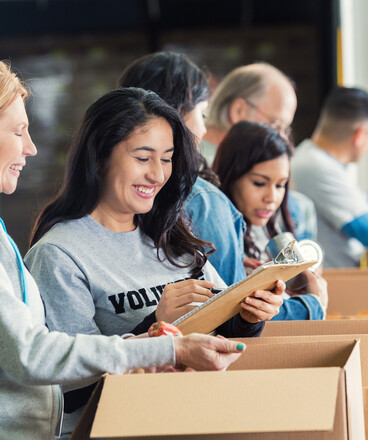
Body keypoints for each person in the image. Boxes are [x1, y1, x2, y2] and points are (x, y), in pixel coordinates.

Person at [0, 55, 248, 440]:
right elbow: (30, 354)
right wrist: (166, 349)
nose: (30, 148)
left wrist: (151, 342)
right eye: (18, 132)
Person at [25, 87, 284, 436]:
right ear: (100, 157)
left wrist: (249, 315)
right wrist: (155, 326)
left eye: (167, 158)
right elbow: (70, 389)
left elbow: (222, 331)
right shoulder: (59, 254)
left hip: (195, 420)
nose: (158, 175)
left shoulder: (171, 234)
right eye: (143, 158)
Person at [117, 50, 321, 321]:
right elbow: (232, 315)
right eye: (202, 113)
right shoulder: (203, 198)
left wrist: (237, 273)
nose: (203, 128)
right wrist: (312, 305)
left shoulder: (111, 199)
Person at [213, 121, 328, 319]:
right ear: (231, 175)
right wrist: (312, 304)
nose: (272, 198)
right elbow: (233, 315)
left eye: (280, 185)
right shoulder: (214, 232)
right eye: (259, 183)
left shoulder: (269, 228)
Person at [203, 62, 317, 241]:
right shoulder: (199, 170)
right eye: (276, 125)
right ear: (239, 110)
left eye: (279, 185)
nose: (282, 139)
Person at [292, 86, 368, 268]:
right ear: (360, 135)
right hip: (337, 284)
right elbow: (363, 229)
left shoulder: (319, 161)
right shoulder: (315, 166)